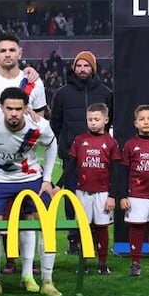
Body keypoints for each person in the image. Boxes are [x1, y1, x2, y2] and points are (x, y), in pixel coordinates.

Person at [0, 87, 61, 296]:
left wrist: (47, 179)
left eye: (19, 109)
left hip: (29, 177)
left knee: (43, 222)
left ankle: (41, 279)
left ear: (26, 108)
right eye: (9, 108)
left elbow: (52, 145)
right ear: (1, 108)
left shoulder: (39, 125)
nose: (14, 113)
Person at [0, 33, 48, 279]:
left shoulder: (34, 82)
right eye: (2, 50)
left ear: (20, 54)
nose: (7, 54)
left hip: (26, 164)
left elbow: (38, 121)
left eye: (12, 50)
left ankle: (26, 266)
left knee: (27, 214)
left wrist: (20, 147)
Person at [50, 51, 113, 255]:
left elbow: (109, 121)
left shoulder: (105, 93)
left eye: (86, 65)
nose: (82, 69)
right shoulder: (62, 93)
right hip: (72, 156)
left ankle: (94, 238)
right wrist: (65, 144)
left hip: (98, 157)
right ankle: (73, 239)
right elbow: (55, 123)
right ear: (74, 68)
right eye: (79, 65)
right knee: (72, 197)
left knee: (97, 197)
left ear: (93, 68)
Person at [55, 103, 121, 274]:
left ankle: (102, 264)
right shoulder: (80, 140)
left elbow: (116, 172)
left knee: (102, 228)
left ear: (106, 120)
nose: (93, 122)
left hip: (103, 193)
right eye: (90, 119)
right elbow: (70, 165)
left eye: (96, 119)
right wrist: (59, 184)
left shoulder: (111, 142)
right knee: (83, 227)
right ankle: (83, 263)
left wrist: (112, 196)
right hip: (82, 191)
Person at [119, 104, 149, 277]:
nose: (146, 122)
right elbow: (123, 172)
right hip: (136, 195)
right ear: (135, 123)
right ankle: (135, 264)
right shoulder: (130, 145)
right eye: (142, 119)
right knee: (136, 229)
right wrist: (123, 196)